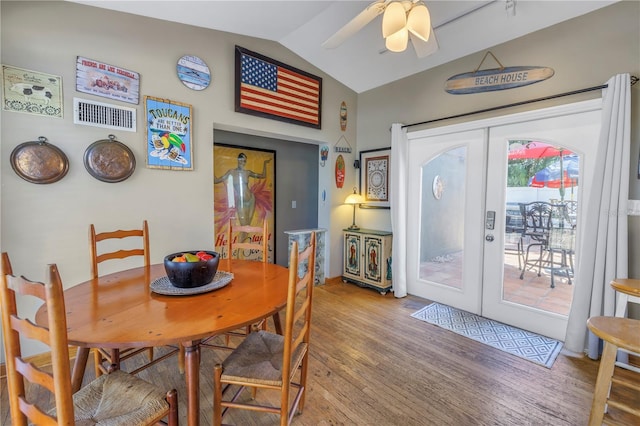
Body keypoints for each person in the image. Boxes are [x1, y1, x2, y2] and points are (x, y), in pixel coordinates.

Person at [214, 153, 271, 227]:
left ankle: (245, 239)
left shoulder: (247, 172)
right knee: (244, 227)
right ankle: (242, 239)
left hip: (251, 199)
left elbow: (263, 176)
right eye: (241, 160)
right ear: (238, 160)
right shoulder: (231, 172)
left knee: (248, 227)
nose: (243, 163)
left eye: (244, 161)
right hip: (241, 202)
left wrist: (265, 163)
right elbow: (216, 181)